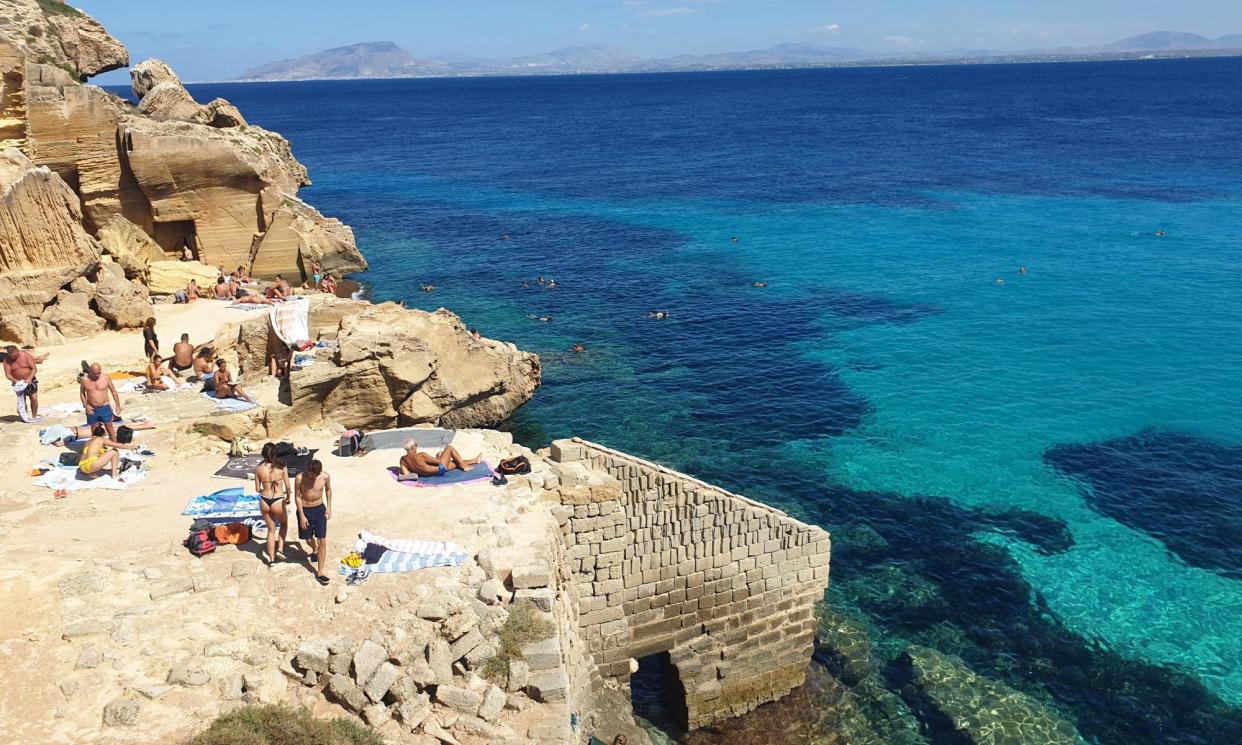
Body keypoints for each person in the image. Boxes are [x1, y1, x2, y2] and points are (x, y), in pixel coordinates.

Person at [294, 459, 333, 585]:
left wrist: (329, 507)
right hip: (305, 510)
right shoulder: (300, 477)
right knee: (308, 539)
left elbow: (328, 490)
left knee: (322, 540)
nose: (311, 477)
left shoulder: (325, 477)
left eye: (314, 475)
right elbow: (297, 496)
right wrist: (302, 515)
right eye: (310, 474)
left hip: (319, 510)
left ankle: (320, 572)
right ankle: (314, 549)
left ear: (318, 473)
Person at [255, 443, 291, 566]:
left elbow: (257, 488)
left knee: (270, 530)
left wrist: (264, 491)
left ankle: (271, 559)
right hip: (277, 499)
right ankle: (280, 549)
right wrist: (288, 498)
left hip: (265, 500)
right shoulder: (282, 467)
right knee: (284, 524)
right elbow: (288, 486)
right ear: (276, 453)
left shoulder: (259, 469)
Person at [397, 441, 481, 481]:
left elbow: (406, 475)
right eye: (416, 445)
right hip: (440, 469)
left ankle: (475, 460)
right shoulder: (421, 455)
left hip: (427, 474)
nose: (417, 446)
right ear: (413, 448)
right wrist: (438, 456)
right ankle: (464, 466)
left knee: (454, 463)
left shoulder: (403, 460)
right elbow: (439, 462)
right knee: (449, 448)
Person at [80, 363, 122, 440]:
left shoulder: (106, 378)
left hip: (105, 408)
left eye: (99, 373)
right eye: (95, 373)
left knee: (110, 429)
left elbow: (114, 391)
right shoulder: (84, 380)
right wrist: (86, 406)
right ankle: (97, 448)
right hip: (92, 409)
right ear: (90, 371)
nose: (97, 375)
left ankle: (115, 447)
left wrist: (118, 405)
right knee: (95, 431)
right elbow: (82, 393)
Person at [42, 421, 155, 448]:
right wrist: (145, 426)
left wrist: (145, 425)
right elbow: (128, 426)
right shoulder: (108, 431)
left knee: (57, 443)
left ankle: (146, 424)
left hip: (71, 431)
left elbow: (128, 426)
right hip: (70, 433)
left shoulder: (106, 430)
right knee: (58, 444)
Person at [4, 345, 40, 422]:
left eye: (14, 355)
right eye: (11, 356)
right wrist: (16, 381)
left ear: (17, 351)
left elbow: (34, 368)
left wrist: (29, 378)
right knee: (22, 400)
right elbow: (8, 375)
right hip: (18, 382)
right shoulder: (7, 360)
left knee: (34, 399)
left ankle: (34, 416)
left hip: (30, 380)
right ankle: (25, 418)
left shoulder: (25, 355)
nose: (13, 357)